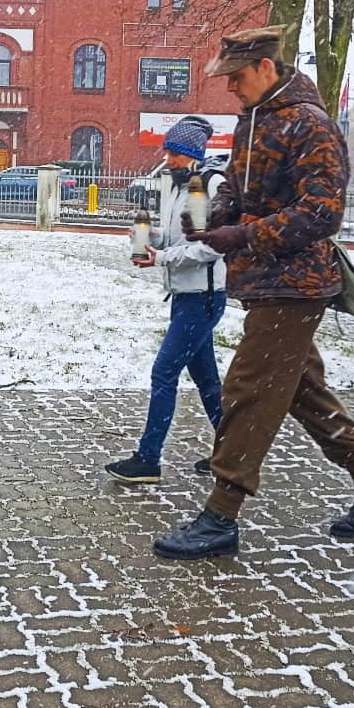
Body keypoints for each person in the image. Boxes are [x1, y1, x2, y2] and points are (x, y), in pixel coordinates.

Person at [152, 26, 354, 561]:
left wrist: (243, 234)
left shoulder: (311, 125)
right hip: (265, 281)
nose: (230, 88)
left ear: (265, 68)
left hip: (297, 282)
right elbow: (239, 188)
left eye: (237, 77)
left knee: (249, 389)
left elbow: (321, 213)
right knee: (300, 388)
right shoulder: (254, 120)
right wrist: (216, 214)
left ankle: (221, 515)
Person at [106, 116, 228, 483]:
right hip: (184, 296)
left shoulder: (209, 186)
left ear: (191, 153)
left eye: (174, 152)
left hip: (203, 297)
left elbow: (209, 246)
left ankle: (148, 460)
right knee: (206, 378)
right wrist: (151, 236)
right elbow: (180, 238)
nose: (167, 158)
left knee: (164, 372)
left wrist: (162, 258)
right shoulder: (177, 187)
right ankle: (233, 453)